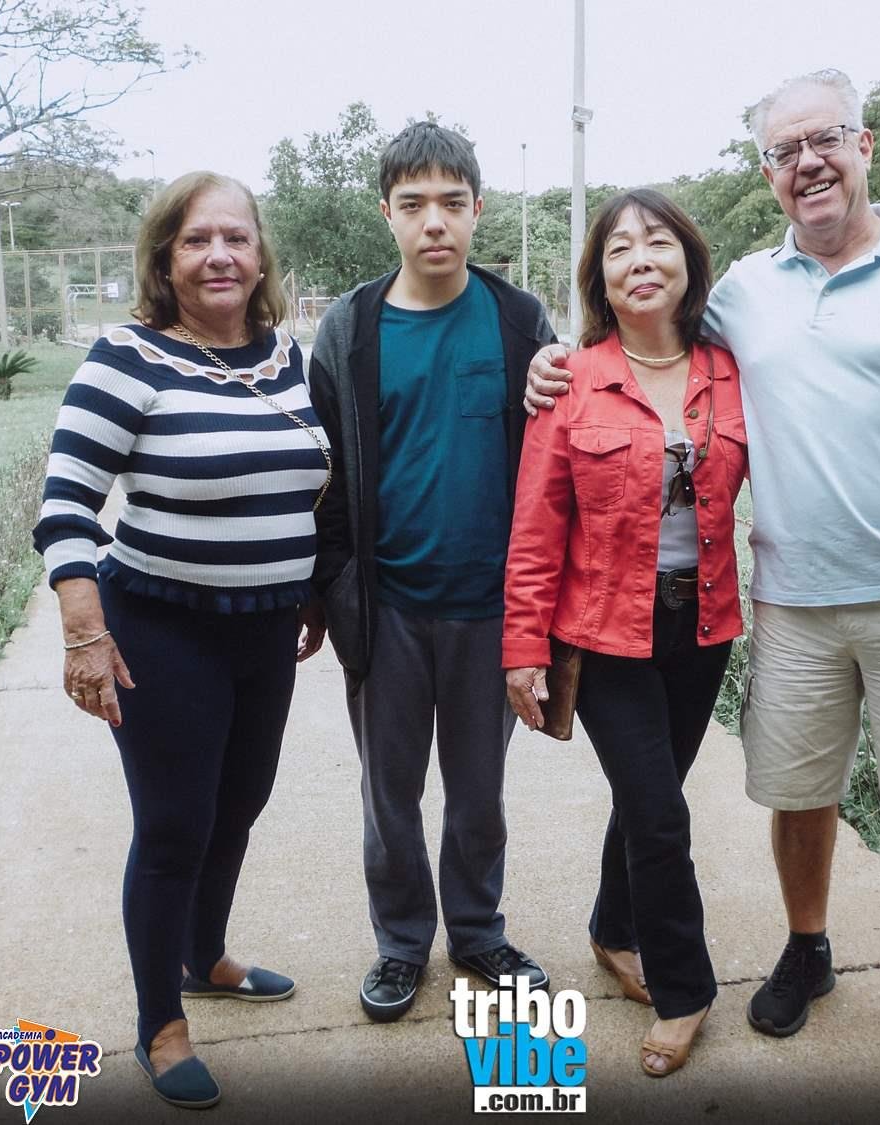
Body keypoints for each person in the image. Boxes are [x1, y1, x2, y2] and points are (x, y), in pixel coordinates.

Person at [525, 69, 880, 1075]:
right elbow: (636, 347)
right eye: (785, 151)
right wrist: (555, 362)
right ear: (767, 173)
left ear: (864, 144)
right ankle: (805, 951)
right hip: (789, 600)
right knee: (796, 794)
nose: (809, 163)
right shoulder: (745, 295)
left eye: (825, 139)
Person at [31, 171, 331, 1109]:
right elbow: (66, 504)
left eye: (236, 238)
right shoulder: (127, 357)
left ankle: (206, 956)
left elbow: (310, 485)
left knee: (238, 804)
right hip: (162, 629)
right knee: (173, 827)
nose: (219, 256)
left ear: (261, 256)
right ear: (165, 258)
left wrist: (308, 588)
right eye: (197, 240)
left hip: (266, 630)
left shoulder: (286, 356)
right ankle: (160, 1023)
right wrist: (84, 632)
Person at [308, 122, 556, 1023]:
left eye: (452, 203)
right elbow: (324, 473)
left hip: (491, 610)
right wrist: (327, 590)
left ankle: (479, 932)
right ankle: (402, 942)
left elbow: (551, 466)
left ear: (478, 208)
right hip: (388, 610)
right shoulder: (350, 327)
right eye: (413, 204)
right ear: (387, 213)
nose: (434, 222)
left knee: (480, 793)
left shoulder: (519, 319)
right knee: (391, 793)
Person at [503, 190, 748, 1077]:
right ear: (601, 279)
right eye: (619, 249)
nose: (640, 259)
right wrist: (523, 649)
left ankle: (612, 927)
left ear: (688, 262)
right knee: (658, 812)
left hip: (704, 624)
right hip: (605, 631)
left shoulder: (732, 369)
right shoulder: (571, 381)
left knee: (652, 798)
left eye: (657, 242)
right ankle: (686, 989)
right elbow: (536, 527)